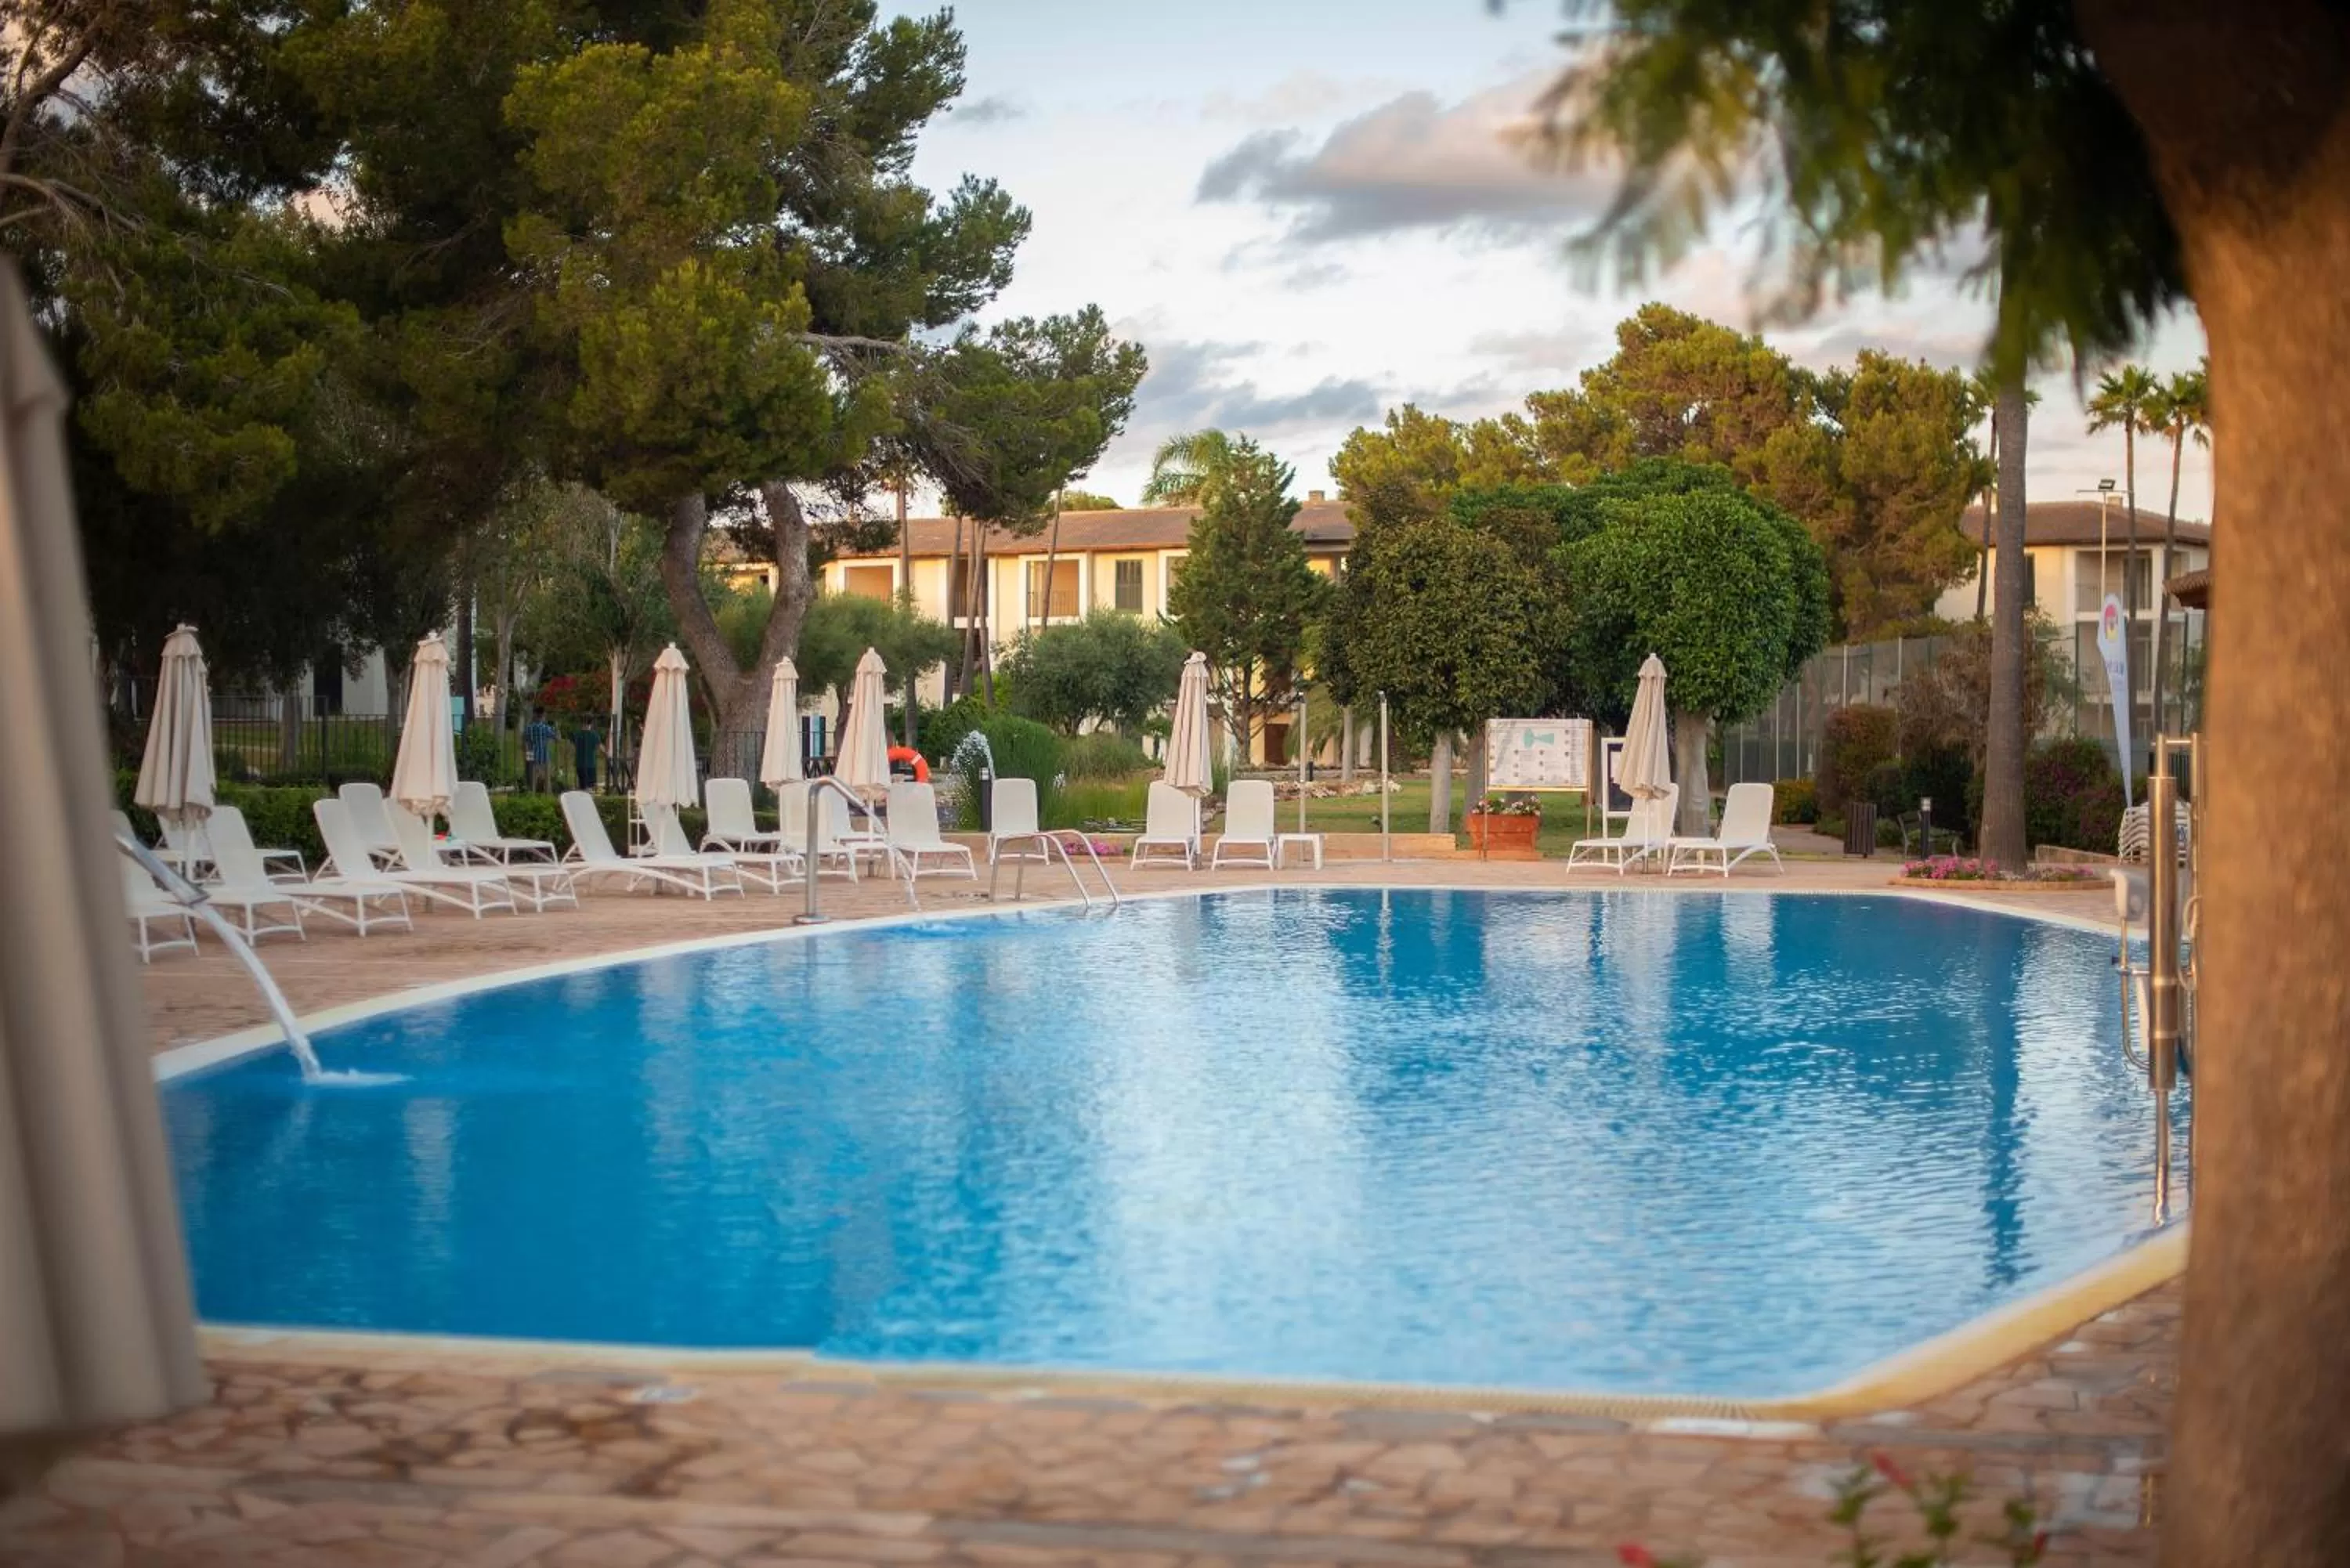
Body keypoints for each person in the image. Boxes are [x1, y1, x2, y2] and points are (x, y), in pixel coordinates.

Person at [522, 709, 557, 794]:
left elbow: (525, 743)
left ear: (535, 715)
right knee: (547, 781)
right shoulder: (546, 728)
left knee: (532, 782)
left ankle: (532, 797)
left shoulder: (529, 728)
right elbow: (557, 738)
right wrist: (556, 728)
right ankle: (547, 797)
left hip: (533, 757)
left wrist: (528, 758)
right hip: (545, 757)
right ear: (543, 716)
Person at [570, 719, 602, 793]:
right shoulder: (594, 735)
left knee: (583, 785)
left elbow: (573, 745)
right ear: (591, 724)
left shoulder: (577, 734)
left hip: (580, 763)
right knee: (591, 785)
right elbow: (599, 747)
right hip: (591, 764)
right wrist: (607, 753)